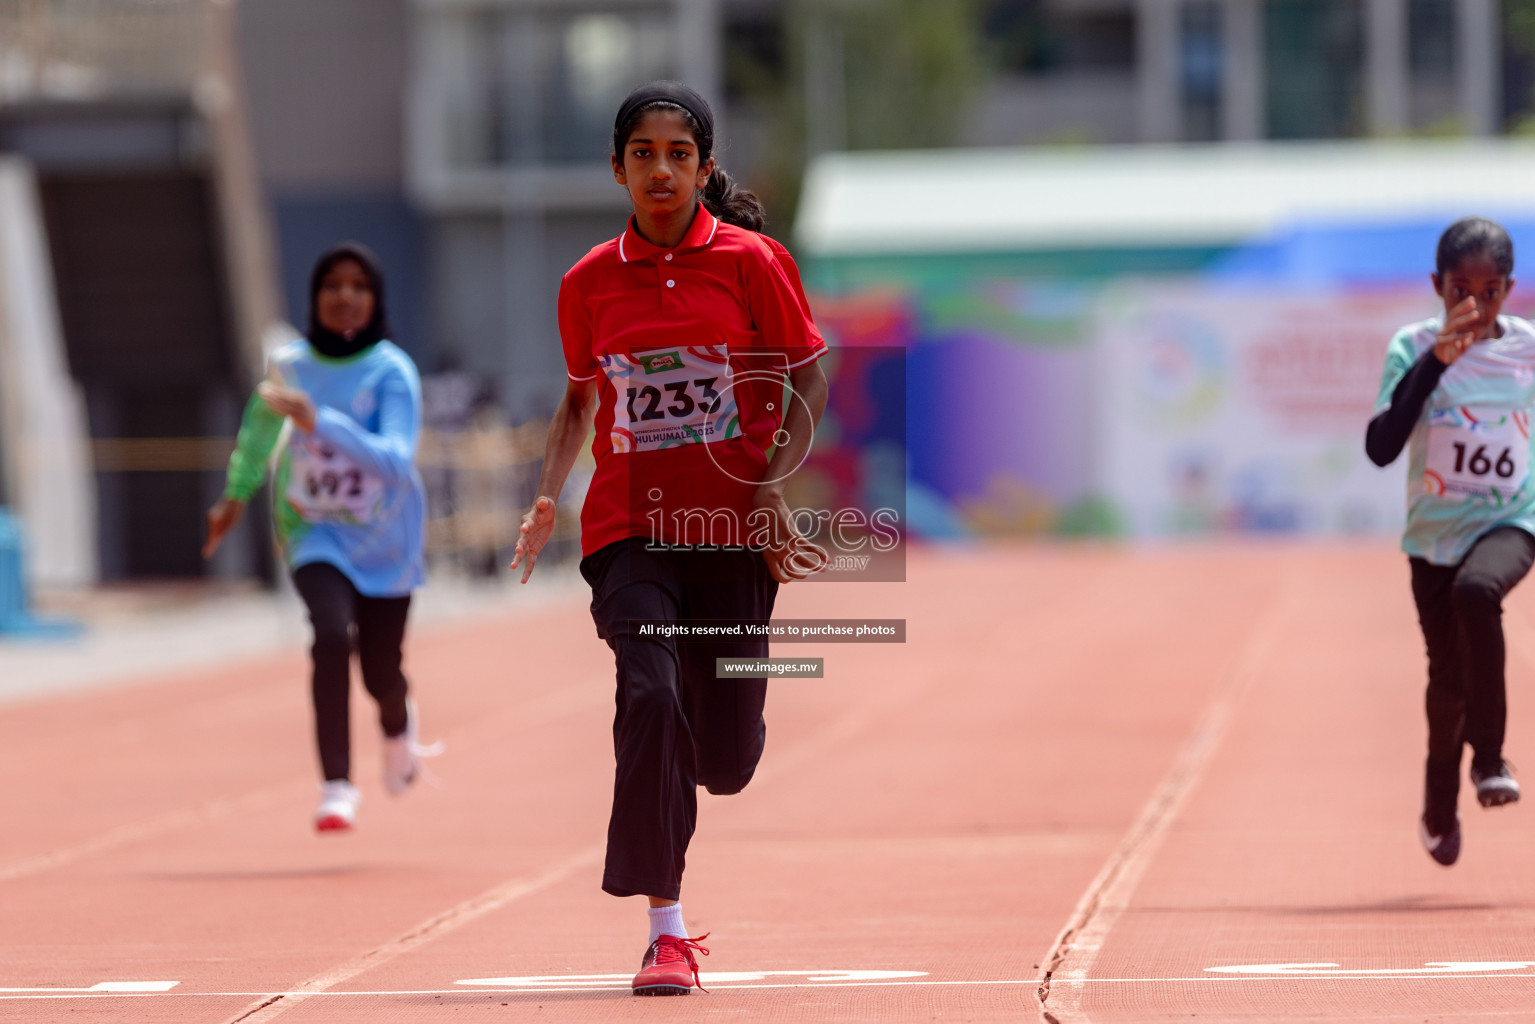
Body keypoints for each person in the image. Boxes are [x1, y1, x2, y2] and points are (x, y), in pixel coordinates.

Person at [510, 81, 829, 995]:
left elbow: (809, 374)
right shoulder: (586, 283)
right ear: (617, 169)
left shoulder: (753, 263)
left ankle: (692, 758)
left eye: (678, 154)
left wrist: (770, 486)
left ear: (704, 167)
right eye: (642, 155)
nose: (661, 170)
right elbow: (577, 400)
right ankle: (667, 930)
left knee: (723, 762)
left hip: (728, 530)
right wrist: (545, 498)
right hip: (629, 531)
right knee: (649, 693)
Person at [204, 243, 434, 832]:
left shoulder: (391, 371)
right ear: (314, 297)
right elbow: (257, 435)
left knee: (381, 670)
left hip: (387, 539)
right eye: (332, 284)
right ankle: (336, 786)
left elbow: (393, 459)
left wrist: (317, 421)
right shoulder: (289, 366)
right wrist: (233, 498)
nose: (344, 295)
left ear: (375, 298)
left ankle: (396, 721)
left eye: (359, 285)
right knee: (331, 635)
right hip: (313, 528)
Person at [1367, 216, 1533, 867]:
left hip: (1511, 521)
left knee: (1478, 591)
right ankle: (1439, 800)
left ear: (1509, 289)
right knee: (1447, 685)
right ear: (1436, 286)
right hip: (1432, 540)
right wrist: (1436, 362)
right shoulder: (1409, 346)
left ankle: (1489, 761)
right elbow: (1381, 448)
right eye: (1460, 290)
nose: (1475, 304)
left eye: (1490, 291)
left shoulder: (1526, 348)